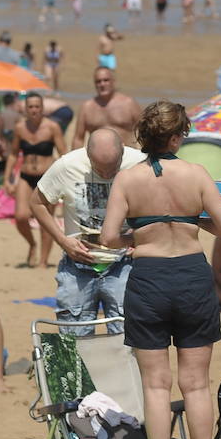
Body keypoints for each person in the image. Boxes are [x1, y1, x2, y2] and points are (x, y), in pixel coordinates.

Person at [101, 101, 221, 439]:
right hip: (192, 277)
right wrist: (191, 221)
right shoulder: (196, 174)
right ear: (177, 137)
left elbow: (109, 237)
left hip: (149, 279)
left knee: (156, 384)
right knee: (196, 383)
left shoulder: (128, 179)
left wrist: (137, 235)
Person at [30, 128, 145, 336]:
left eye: (113, 168)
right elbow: (37, 202)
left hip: (124, 265)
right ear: (88, 156)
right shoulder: (67, 165)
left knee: (126, 340)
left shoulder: (141, 163)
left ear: (123, 152)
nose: (108, 175)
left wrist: (139, 235)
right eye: (100, 170)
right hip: (77, 265)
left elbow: (162, 204)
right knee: (75, 340)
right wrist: (62, 240)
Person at [7, 93, 66, 267]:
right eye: (30, 107)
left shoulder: (52, 127)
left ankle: (43, 261)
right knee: (20, 216)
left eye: (37, 106)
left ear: (42, 108)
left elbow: (63, 153)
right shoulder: (19, 128)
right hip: (25, 177)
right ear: (25, 109)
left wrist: (62, 177)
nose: (34, 110)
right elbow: (12, 154)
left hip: (47, 179)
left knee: (46, 221)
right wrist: (7, 178)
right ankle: (32, 244)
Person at [72, 66, 142, 150]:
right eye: (98, 81)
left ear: (113, 81)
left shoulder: (128, 103)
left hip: (127, 156)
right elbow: (78, 138)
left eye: (106, 80)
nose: (102, 84)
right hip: (97, 158)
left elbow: (146, 130)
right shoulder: (87, 107)